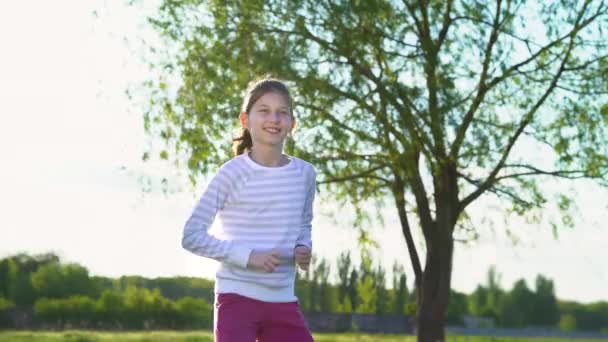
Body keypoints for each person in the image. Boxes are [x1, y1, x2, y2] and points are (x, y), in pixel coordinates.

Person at [181, 77, 316, 342]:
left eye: (282, 112)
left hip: (283, 299)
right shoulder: (231, 173)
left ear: (292, 123)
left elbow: (304, 224)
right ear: (245, 120)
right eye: (264, 111)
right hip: (236, 298)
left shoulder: (305, 174)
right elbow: (191, 236)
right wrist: (247, 256)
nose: (274, 119)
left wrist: (304, 247)